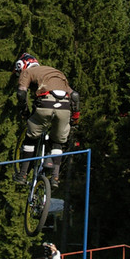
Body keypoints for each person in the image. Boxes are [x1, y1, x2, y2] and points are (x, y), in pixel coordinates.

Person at [12, 53, 80, 188]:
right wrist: (75, 118)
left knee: (31, 138)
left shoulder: (27, 72)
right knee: (58, 141)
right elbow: (75, 96)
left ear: (22, 66)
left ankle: (23, 175)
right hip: (65, 107)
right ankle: (55, 177)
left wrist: (24, 111)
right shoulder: (57, 73)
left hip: (44, 105)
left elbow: (21, 93)